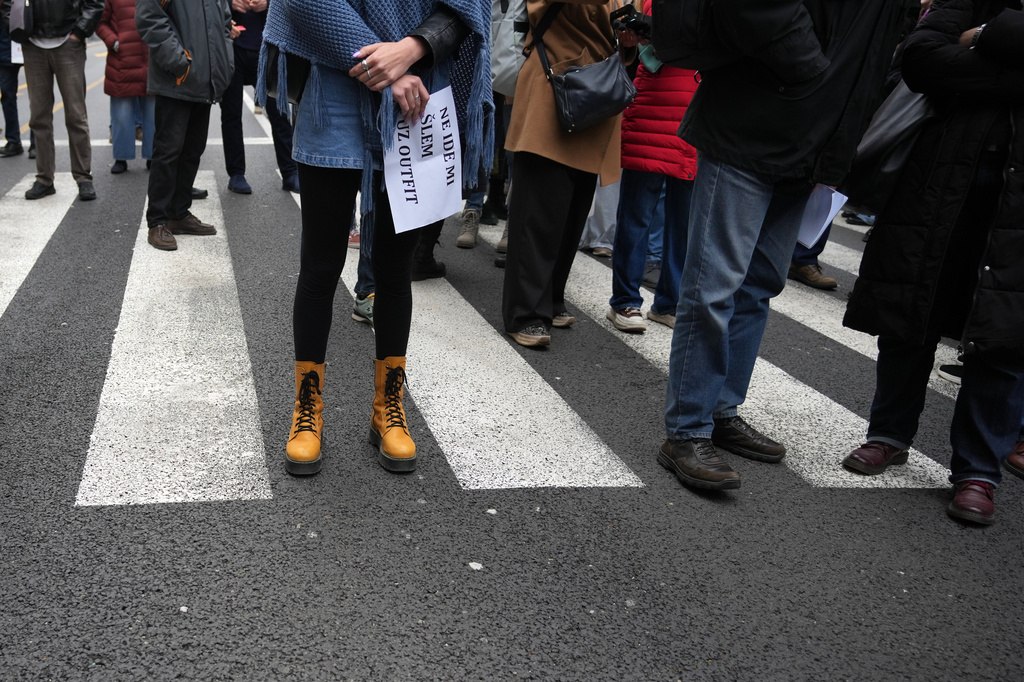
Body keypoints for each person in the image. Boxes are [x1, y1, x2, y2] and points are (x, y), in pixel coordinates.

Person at [658, 0, 907, 491]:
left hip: (809, 142)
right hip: (751, 125)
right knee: (715, 286)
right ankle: (686, 430)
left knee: (758, 287)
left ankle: (722, 411)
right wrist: (812, 72)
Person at [260, 0, 491, 476]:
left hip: (418, 92)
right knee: (320, 267)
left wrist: (409, 51)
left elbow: (467, 6)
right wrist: (381, 65)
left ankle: (387, 406)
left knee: (392, 270)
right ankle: (308, 413)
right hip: (335, 86)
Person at [842, 0, 1024, 526]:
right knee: (908, 313)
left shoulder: (979, 20)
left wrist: (983, 36)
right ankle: (888, 436)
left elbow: (946, 65)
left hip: (1014, 209)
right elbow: (920, 61)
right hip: (937, 184)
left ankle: (977, 473)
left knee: (1003, 337)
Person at [502, 0, 636, 348]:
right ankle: (526, 312)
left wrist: (631, 38)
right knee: (539, 213)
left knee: (571, 213)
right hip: (555, 84)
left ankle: (549, 298)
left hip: (595, 95)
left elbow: (612, 34)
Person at [608, 0, 697, 334]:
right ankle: (627, 301)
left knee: (681, 221)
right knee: (639, 215)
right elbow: (646, 49)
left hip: (693, 114)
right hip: (658, 110)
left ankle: (664, 303)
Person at [135, 0, 235, 251]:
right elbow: (149, 17)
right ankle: (157, 221)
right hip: (176, 77)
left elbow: (224, 23)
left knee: (192, 150)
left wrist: (225, 61)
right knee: (168, 151)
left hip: (205, 78)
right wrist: (180, 62)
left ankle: (178, 214)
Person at [1, 0, 103, 201]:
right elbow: (6, 4)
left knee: (76, 115)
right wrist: (17, 30)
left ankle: (83, 178)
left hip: (68, 42)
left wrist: (79, 32)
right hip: (32, 44)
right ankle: (45, 179)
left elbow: (95, 3)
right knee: (39, 117)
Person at [221, 0, 299, 195]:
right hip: (232, 46)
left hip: (267, 47)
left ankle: (289, 172)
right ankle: (236, 173)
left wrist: (269, 2)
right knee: (231, 114)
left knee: (279, 112)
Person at [96, 0, 154, 175]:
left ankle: (153, 156)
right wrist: (113, 41)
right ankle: (120, 158)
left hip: (151, 60)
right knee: (121, 115)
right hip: (122, 61)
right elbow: (100, 21)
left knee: (154, 115)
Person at [0, 21, 26, 157]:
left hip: (31, 43)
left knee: (38, 96)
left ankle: (37, 143)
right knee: (7, 95)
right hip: (5, 48)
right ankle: (13, 141)